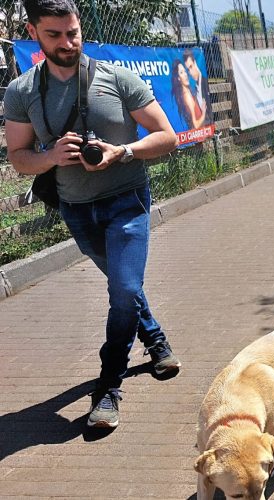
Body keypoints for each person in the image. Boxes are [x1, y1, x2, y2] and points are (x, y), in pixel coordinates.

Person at [4, 0, 180, 428]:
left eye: (73, 32)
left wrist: (123, 151)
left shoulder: (117, 77)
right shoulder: (22, 92)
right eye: (54, 35)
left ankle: (108, 387)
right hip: (77, 210)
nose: (67, 43)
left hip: (127, 200)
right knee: (126, 287)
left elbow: (167, 137)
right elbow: (19, 158)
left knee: (122, 289)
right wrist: (49, 157)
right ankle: (155, 339)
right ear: (33, 32)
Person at [171, 58, 206, 130]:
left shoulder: (188, 92)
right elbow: (195, 125)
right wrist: (204, 113)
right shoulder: (187, 96)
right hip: (197, 136)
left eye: (185, 71)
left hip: (199, 135)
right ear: (178, 78)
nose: (185, 75)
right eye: (181, 72)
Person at [183, 48, 213, 126]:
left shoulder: (204, 82)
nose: (190, 72)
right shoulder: (193, 89)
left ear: (195, 63)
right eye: (188, 69)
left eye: (191, 66)